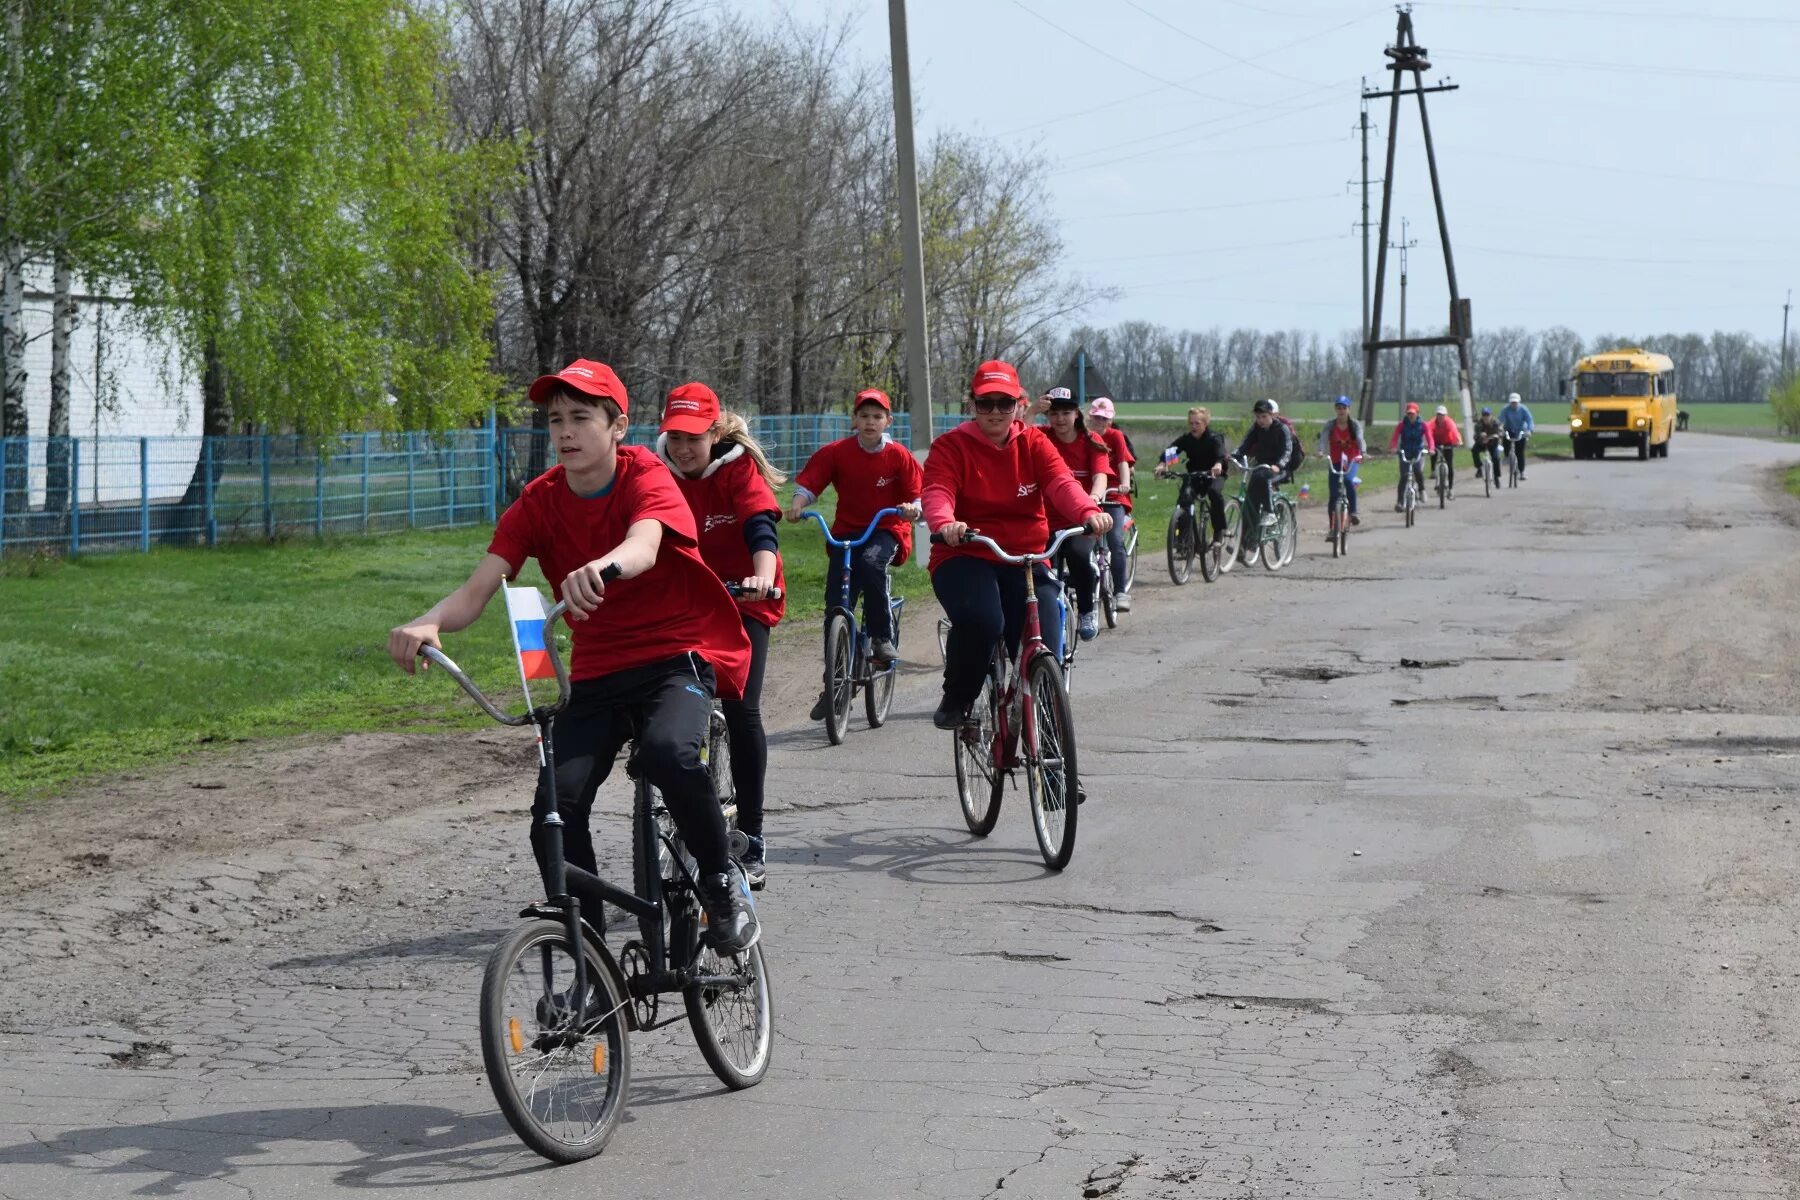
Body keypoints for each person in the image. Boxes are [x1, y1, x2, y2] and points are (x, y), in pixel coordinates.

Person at [387, 360, 759, 952]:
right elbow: (478, 588)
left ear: (617, 426)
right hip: (596, 674)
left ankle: (721, 880)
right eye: (555, 419)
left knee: (668, 753)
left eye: (581, 417)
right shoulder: (539, 501)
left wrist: (603, 567)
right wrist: (429, 622)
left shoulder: (647, 476)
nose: (564, 431)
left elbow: (645, 543)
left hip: (673, 657)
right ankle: (585, 943)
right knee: (554, 806)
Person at [923, 360, 1111, 731]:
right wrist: (945, 523)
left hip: (1024, 557)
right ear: (971, 404)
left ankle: (1057, 777)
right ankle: (959, 695)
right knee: (984, 619)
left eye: (1004, 403)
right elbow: (937, 490)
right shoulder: (951, 446)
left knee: (1044, 642)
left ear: (1019, 405)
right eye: (986, 403)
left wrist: (1089, 511)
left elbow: (1060, 484)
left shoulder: (1035, 443)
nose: (995, 411)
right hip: (965, 552)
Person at [657, 381, 785, 889]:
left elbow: (762, 530)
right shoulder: (654, 471)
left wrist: (763, 574)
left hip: (745, 597)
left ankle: (750, 836)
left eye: (693, 437)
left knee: (741, 706)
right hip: (684, 605)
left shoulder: (737, 470)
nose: (684, 448)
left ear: (714, 433)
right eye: (675, 436)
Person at [788, 388, 923, 717]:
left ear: (888, 421)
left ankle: (880, 637)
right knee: (836, 606)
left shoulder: (898, 456)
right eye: (864, 416)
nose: (870, 422)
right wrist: (797, 505)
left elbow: (918, 496)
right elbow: (811, 483)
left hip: (887, 529)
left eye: (877, 416)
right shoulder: (837, 452)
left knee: (871, 563)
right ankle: (834, 686)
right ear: (854, 420)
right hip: (848, 532)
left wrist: (910, 509)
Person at [1039, 388, 1113, 641]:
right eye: (1054, 413)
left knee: (1079, 555)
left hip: (1079, 521)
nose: (1060, 419)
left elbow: (1100, 476)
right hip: (1045, 519)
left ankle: (1086, 611)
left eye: (1066, 413)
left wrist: (1093, 498)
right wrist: (1029, 412)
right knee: (1036, 567)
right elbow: (1013, 435)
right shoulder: (1040, 437)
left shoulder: (1091, 440)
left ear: (1076, 414)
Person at [1084, 397, 1136, 612]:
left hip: (1114, 493)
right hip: (1090, 493)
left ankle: (1121, 591)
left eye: (1104, 419)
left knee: (1115, 540)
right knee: (1083, 541)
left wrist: (1124, 483)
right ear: (1090, 417)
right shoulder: (1085, 436)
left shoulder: (1116, 436)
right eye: (1096, 418)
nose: (1100, 422)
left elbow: (1123, 462)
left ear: (1111, 420)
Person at [1154, 406, 1230, 550]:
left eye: (1197, 423)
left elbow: (1220, 454)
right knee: (1185, 498)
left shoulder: (1214, 438)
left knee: (1214, 493)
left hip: (1214, 474)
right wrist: (1162, 464)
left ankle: (1219, 531)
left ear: (1205, 424)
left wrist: (1218, 464)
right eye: (1191, 423)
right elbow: (1172, 451)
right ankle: (1182, 539)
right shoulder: (1187, 439)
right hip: (1194, 475)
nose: (1193, 426)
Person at [1233, 398, 1294, 530]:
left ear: (1272, 415)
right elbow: (1245, 444)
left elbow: (1288, 451)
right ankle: (1246, 542)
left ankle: (1270, 512)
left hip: (1280, 468)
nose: (1260, 420)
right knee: (1250, 501)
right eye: (1258, 417)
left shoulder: (1282, 429)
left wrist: (1279, 465)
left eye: (1264, 416)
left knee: (1263, 478)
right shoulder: (1256, 428)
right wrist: (1233, 456)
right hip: (1261, 467)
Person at [1317, 396, 1364, 537]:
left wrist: (1364, 452)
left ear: (1349, 410)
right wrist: (1320, 451)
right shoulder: (1330, 425)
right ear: (1335, 409)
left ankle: (1353, 512)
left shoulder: (1354, 425)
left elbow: (1361, 439)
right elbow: (1323, 438)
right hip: (1336, 460)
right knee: (1333, 496)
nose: (1341, 411)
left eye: (1344, 408)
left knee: (1349, 480)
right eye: (1339, 408)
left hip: (1352, 460)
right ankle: (1332, 528)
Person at [1388, 401, 1436, 510]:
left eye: (1413, 414)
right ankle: (1400, 502)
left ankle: (1422, 490)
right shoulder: (1402, 425)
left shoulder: (1423, 425)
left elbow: (1429, 438)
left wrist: (1431, 448)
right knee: (1404, 476)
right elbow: (1395, 437)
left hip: (1418, 452)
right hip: (1405, 452)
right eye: (1409, 413)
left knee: (1417, 470)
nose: (1411, 416)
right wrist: (1393, 447)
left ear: (1417, 413)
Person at [1427, 404, 1464, 498]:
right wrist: (1428, 444)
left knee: (1450, 465)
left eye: (1442, 415)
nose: (1440, 417)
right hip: (1436, 442)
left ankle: (1450, 489)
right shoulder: (1432, 423)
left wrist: (1459, 441)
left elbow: (1455, 432)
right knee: (1433, 453)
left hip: (1448, 442)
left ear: (1445, 415)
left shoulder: (1449, 422)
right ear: (1436, 415)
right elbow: (1428, 432)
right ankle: (1433, 471)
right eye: (1439, 414)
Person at [1499, 392, 1534, 479]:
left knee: (1520, 453)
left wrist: (1530, 430)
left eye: (1515, 402)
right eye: (1512, 402)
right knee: (1505, 440)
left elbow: (1529, 420)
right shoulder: (1505, 409)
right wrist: (1499, 429)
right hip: (1509, 429)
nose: (1514, 404)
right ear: (1509, 402)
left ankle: (1522, 472)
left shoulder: (1523, 409)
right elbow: (1500, 420)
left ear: (1519, 402)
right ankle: (1507, 456)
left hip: (1521, 431)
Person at [1472, 405, 1503, 483]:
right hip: (1482, 443)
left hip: (1493, 443)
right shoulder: (1478, 424)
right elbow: (1475, 436)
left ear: (1491, 415)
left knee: (1496, 458)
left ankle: (1496, 477)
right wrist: (1480, 435)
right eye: (1484, 415)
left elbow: (1501, 432)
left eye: (1487, 415)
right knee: (1474, 450)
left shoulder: (1496, 422)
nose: (1486, 417)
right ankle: (1479, 467)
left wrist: (1497, 435)